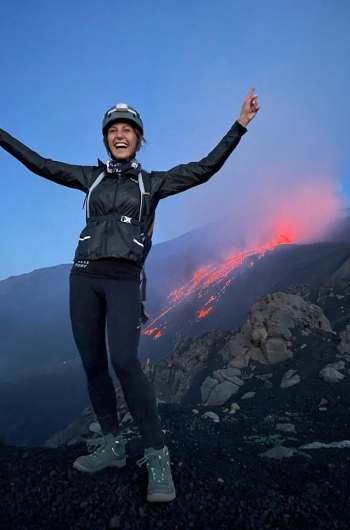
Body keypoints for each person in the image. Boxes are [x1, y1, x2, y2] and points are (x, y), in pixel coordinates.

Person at [0, 88, 260, 503]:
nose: (120, 135)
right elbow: (40, 165)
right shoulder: (91, 177)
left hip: (123, 281)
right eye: (113, 130)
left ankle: (157, 455)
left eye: (128, 130)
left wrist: (240, 125)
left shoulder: (153, 183)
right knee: (93, 364)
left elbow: (204, 169)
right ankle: (113, 445)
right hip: (83, 277)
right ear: (106, 139)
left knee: (125, 362)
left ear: (139, 139)